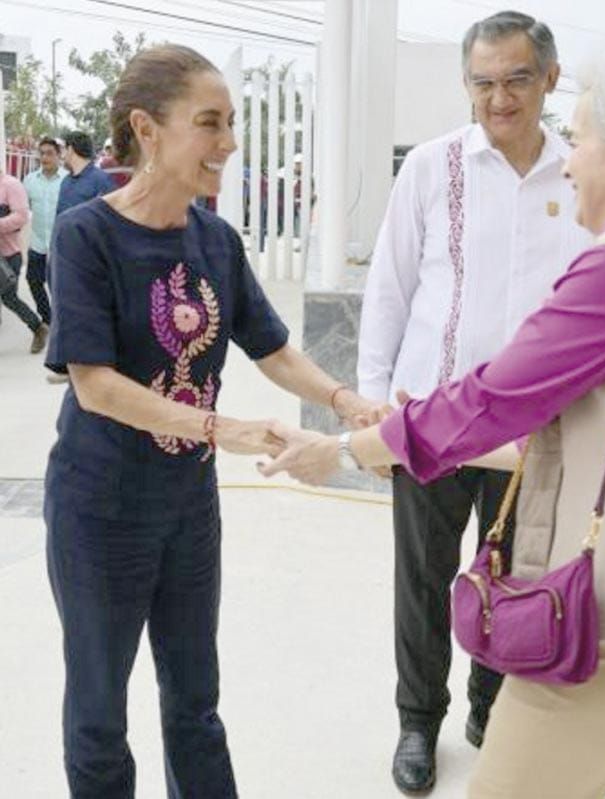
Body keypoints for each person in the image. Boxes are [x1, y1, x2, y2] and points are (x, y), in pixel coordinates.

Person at [260, 49, 605, 799]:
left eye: (585, 137)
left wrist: (347, 448)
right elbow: (604, 443)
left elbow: (491, 397)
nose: (572, 164)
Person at [44, 44, 379, 799]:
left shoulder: (215, 240)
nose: (229, 142)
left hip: (188, 513)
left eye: (230, 123)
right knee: (98, 717)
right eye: (211, 123)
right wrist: (213, 427)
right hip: (101, 511)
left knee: (195, 704)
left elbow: (273, 348)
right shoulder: (86, 236)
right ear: (148, 128)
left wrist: (343, 400)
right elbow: (95, 384)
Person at [355, 11, 589, 792]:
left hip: (534, 431)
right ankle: (417, 721)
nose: (500, 97)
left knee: (515, 579)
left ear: (550, 78)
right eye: (483, 82)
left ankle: (490, 704)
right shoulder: (431, 166)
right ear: (467, 86)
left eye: (518, 78)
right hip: (433, 418)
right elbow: (388, 289)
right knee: (420, 579)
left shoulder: (578, 173)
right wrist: (372, 409)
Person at [0, 168, 49, 352]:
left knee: (9, 298)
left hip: (8, 254)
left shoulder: (11, 185)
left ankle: (37, 327)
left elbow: (21, 217)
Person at [23, 137, 67, 327]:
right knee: (33, 281)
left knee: (60, 286)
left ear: (59, 155)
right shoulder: (30, 180)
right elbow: (24, 208)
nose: (44, 157)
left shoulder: (68, 180)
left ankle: (64, 320)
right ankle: (48, 318)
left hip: (62, 243)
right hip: (38, 242)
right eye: (41, 153)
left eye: (49, 153)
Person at [56, 130, 115, 215]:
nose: (61, 156)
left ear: (70, 149)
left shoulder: (102, 181)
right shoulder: (65, 182)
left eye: (63, 149)